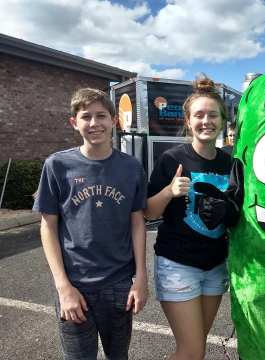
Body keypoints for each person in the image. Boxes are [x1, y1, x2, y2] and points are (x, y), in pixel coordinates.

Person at [33, 88, 148, 359]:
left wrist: (141, 278)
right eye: (86, 117)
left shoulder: (131, 168)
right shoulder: (57, 166)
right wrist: (63, 287)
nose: (94, 123)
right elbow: (47, 227)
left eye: (101, 116)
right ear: (74, 122)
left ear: (114, 121)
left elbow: (137, 223)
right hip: (75, 285)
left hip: (119, 284)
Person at [145, 75, 231, 360]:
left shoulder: (230, 162)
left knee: (196, 347)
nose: (206, 121)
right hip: (178, 264)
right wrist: (169, 191)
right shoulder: (171, 159)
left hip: (215, 265)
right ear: (188, 120)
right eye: (199, 115)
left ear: (222, 120)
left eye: (212, 115)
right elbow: (148, 212)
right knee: (192, 351)